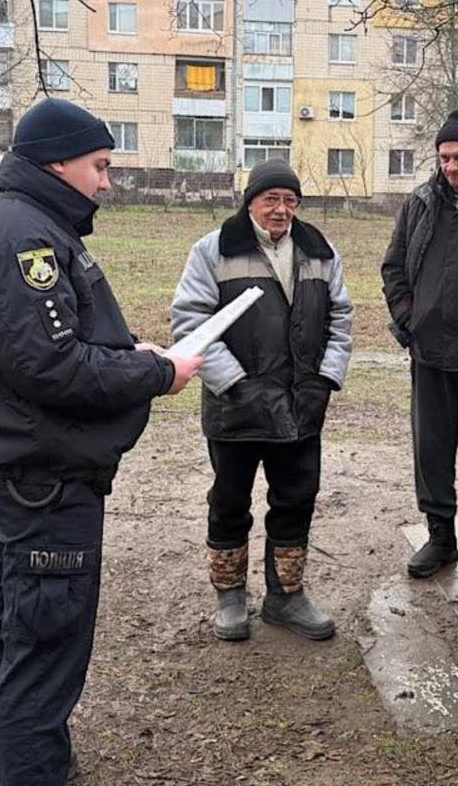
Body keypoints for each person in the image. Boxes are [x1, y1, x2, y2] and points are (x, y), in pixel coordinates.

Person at [0, 98, 200, 786]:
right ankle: (29, 768)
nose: (107, 182)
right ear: (58, 162)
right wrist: (155, 370)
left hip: (32, 466)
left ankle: (25, 763)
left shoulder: (23, 222)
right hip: (46, 476)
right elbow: (48, 365)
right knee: (44, 652)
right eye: (100, 166)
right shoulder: (22, 237)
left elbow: (44, 345)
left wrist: (127, 351)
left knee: (22, 630)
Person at [171, 158, 353, 642]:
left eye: (290, 200)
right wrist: (235, 384)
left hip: (301, 408)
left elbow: (342, 319)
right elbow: (192, 324)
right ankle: (230, 597)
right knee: (230, 502)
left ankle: (285, 597)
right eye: (271, 199)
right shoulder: (214, 250)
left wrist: (326, 379)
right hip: (237, 409)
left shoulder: (319, 250)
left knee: (296, 499)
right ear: (250, 202)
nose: (281, 210)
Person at [381, 109, 458, 578]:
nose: (452, 167)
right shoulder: (420, 203)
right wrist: (409, 319)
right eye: (445, 157)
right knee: (431, 451)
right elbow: (393, 268)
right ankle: (441, 538)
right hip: (429, 353)